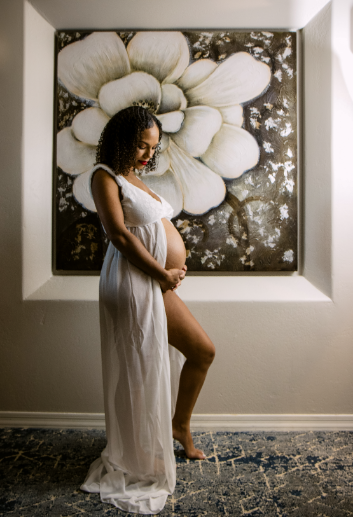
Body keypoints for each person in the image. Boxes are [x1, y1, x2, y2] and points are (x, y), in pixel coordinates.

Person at [80, 106, 215, 514]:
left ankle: (178, 425)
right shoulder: (104, 175)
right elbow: (119, 235)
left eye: (151, 147)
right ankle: (142, 454)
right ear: (122, 138)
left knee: (202, 351)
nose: (146, 153)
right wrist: (162, 272)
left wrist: (169, 271)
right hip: (133, 282)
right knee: (141, 368)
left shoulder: (133, 176)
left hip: (155, 282)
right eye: (141, 144)